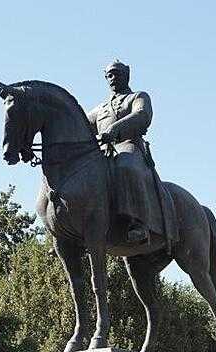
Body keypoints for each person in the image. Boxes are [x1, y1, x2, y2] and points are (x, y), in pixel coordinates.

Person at [87, 60, 159, 244]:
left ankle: (139, 223)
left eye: (117, 73)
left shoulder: (138, 97)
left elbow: (141, 115)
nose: (113, 77)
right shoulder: (99, 109)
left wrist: (114, 129)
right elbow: (81, 127)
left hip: (129, 146)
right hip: (103, 153)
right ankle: (70, 230)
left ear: (127, 74)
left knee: (125, 165)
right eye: (109, 75)